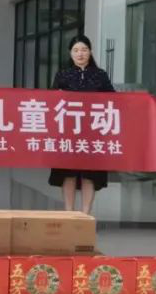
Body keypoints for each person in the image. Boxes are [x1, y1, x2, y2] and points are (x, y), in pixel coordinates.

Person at [49, 35, 115, 215]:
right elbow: (51, 101)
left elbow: (113, 99)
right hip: (68, 131)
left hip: (93, 131)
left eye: (84, 50)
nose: (80, 54)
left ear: (90, 52)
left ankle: (85, 213)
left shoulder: (100, 75)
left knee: (89, 174)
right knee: (68, 173)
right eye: (76, 50)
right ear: (70, 53)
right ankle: (69, 212)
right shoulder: (62, 74)